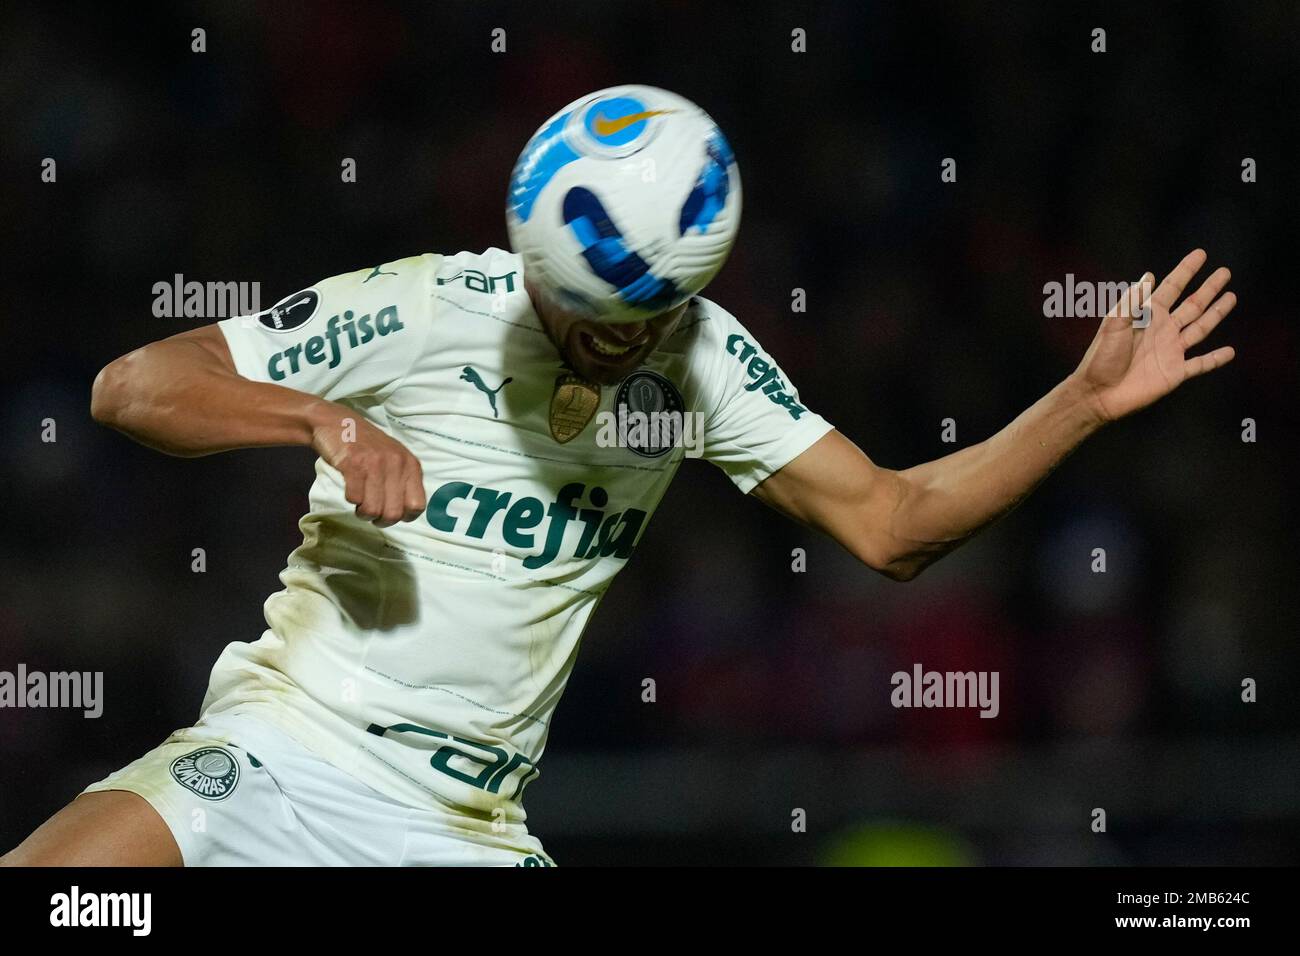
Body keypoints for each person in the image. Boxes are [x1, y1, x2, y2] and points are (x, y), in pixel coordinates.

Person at [2, 88, 1235, 867]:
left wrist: (1078, 402)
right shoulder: (432, 304)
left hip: (463, 830)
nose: (596, 338)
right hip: (279, 754)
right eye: (569, 307)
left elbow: (892, 521)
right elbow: (134, 383)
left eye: (628, 322)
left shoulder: (704, 363)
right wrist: (322, 420)